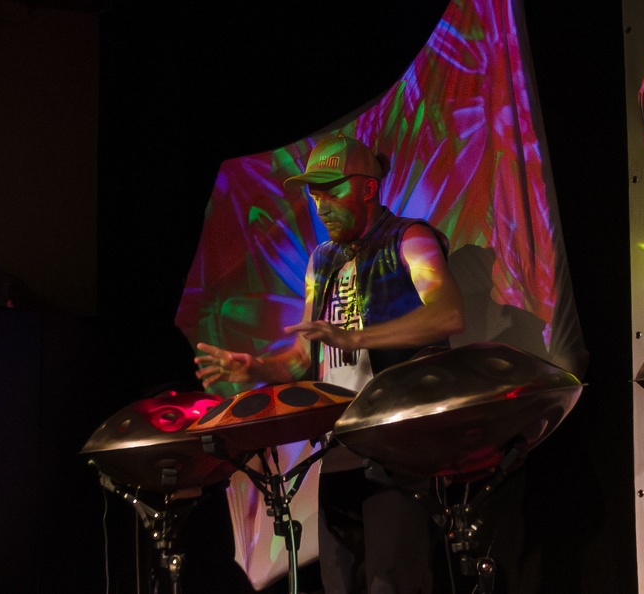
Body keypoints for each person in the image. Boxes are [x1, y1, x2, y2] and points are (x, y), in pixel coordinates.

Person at [194, 134, 464, 593]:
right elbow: (303, 359)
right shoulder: (322, 260)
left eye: (331, 190)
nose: (320, 205)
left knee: (392, 582)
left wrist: (355, 337)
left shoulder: (410, 238)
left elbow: (448, 313)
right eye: (314, 194)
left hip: (398, 443)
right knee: (340, 583)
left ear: (368, 188)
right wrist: (255, 368)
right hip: (338, 449)